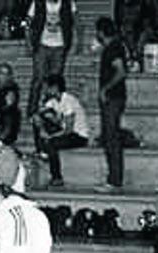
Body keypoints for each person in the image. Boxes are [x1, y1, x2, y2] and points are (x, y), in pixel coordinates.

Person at [32, 74, 89, 187]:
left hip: (78, 136)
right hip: (64, 131)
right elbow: (36, 116)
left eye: (47, 87)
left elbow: (69, 129)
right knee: (42, 119)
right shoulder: (52, 101)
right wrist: (42, 129)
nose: (45, 91)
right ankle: (43, 152)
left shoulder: (69, 100)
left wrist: (51, 136)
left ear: (55, 88)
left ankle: (57, 178)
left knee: (52, 144)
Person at [25, 0, 78, 119]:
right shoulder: (38, 3)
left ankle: (53, 109)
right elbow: (28, 22)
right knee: (38, 78)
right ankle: (32, 109)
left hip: (60, 45)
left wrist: (76, 41)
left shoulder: (68, 3)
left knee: (55, 81)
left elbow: (76, 21)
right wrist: (28, 41)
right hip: (42, 44)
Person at [95, 17, 127, 192]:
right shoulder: (114, 47)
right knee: (109, 137)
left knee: (111, 138)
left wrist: (105, 89)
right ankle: (114, 178)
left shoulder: (113, 48)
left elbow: (121, 71)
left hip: (113, 98)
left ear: (101, 32)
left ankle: (114, 180)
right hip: (114, 97)